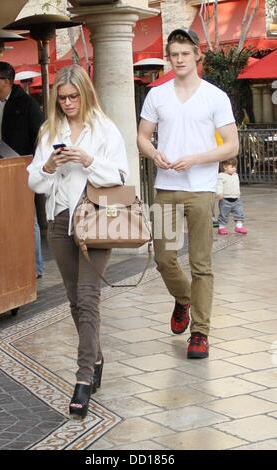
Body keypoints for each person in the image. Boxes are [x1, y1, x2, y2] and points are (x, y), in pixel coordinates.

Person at [27, 64, 129, 418]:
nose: (68, 103)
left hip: (98, 219)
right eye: (63, 98)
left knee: (88, 297)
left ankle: (83, 378)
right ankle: (97, 356)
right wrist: (51, 166)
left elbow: (120, 176)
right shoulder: (49, 130)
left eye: (74, 96)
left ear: (85, 93)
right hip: (59, 221)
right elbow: (34, 183)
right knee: (74, 300)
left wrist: (87, 159)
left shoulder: (105, 129)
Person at [137, 28, 239, 359]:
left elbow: (232, 145)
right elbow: (142, 136)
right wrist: (154, 155)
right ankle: (183, 300)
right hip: (165, 189)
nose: (179, 59)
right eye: (174, 54)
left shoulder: (215, 97)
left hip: (200, 191)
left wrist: (196, 158)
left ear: (197, 55)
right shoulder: (157, 95)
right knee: (165, 258)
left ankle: (200, 332)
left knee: (201, 264)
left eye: (185, 53)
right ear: (170, 57)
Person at [0, 61, 44, 278]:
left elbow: (40, 137)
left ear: (7, 81)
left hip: (21, 169)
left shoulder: (27, 104)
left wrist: (32, 165)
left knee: (28, 218)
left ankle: (35, 267)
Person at [216, 157, 247, 235]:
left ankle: (239, 226)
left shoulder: (235, 175)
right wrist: (219, 193)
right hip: (225, 199)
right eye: (232, 167)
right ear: (225, 167)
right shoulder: (221, 176)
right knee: (224, 215)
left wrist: (238, 192)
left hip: (236, 199)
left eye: (235, 167)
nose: (234, 169)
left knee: (239, 213)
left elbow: (236, 184)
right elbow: (219, 185)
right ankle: (221, 227)